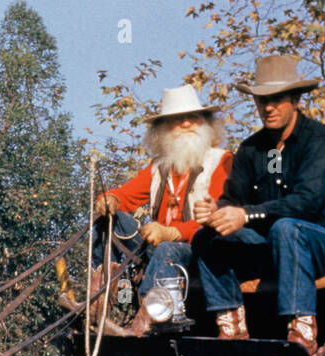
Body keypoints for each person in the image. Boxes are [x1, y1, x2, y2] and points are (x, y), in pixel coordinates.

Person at [192, 55, 325, 356]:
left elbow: (306, 204)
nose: (268, 107)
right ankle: (231, 326)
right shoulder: (252, 148)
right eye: (261, 100)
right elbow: (234, 200)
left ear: (295, 99)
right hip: (275, 244)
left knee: (287, 229)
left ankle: (301, 332)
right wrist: (215, 212)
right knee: (206, 237)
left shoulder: (320, 142)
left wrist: (246, 214)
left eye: (276, 99)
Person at [90, 86, 231, 335]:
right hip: (157, 246)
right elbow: (125, 195)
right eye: (177, 120)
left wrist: (172, 232)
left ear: (206, 124)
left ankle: (146, 321)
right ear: (163, 130)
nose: (186, 123)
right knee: (108, 221)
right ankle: (98, 306)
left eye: (193, 118)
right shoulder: (158, 166)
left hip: (200, 248)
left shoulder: (221, 161)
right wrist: (108, 199)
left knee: (167, 248)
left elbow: (220, 218)